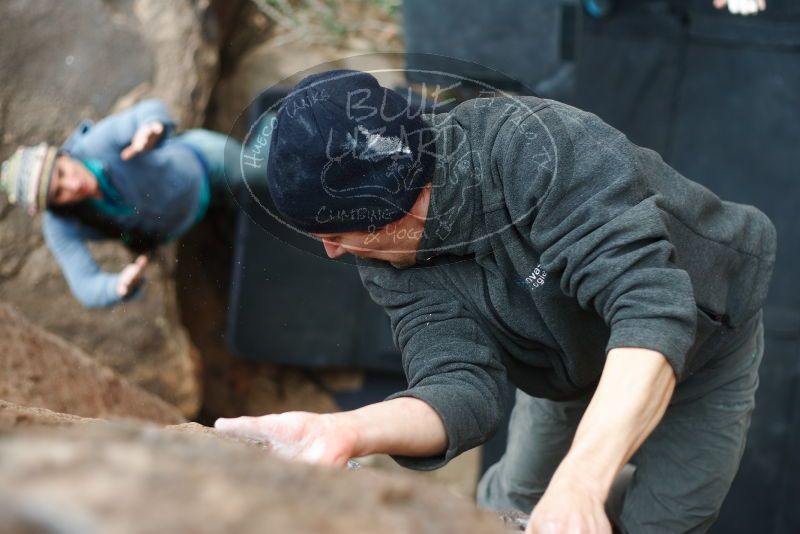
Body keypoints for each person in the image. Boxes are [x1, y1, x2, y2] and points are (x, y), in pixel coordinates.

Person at [214, 70, 776, 533]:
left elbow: (651, 310)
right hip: (566, 368)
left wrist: (581, 483)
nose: (333, 253)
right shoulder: (385, 258)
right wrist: (347, 431)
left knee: (662, 523)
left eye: (337, 234)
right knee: (511, 502)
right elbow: (458, 386)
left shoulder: (538, 148)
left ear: (395, 206)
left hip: (704, 342)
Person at [0, 99, 250, 308]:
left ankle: (269, 125)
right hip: (183, 220)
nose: (73, 185)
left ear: (63, 155)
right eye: (59, 193)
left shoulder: (97, 145)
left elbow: (146, 111)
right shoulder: (61, 226)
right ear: (50, 206)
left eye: (63, 173)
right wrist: (116, 287)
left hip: (204, 162)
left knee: (256, 173)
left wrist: (151, 126)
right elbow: (85, 286)